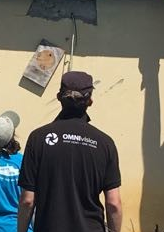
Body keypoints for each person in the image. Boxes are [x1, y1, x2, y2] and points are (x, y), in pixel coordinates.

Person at [16, 71, 123, 232]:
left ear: (59, 97)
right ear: (90, 101)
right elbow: (113, 203)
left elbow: (27, 200)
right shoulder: (105, 143)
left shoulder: (38, 138)